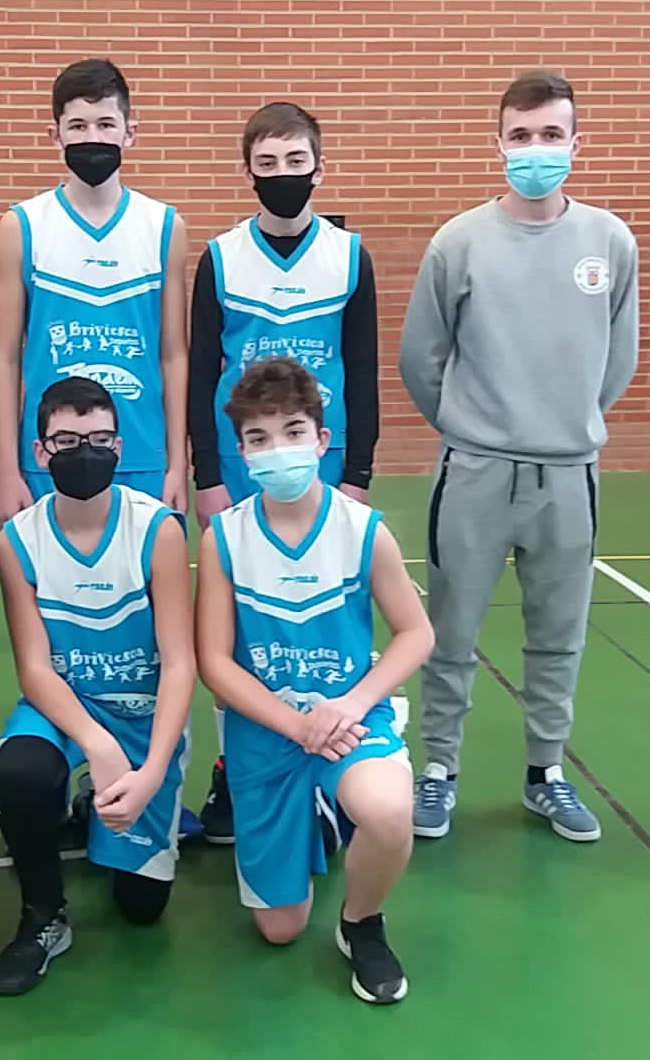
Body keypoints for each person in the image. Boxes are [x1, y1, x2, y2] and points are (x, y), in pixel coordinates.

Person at [398, 70, 640, 843]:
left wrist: (566, 422)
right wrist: (474, 426)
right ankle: (438, 769)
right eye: (521, 135)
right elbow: (420, 359)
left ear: (577, 143)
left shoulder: (610, 242)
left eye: (551, 135)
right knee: (450, 631)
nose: (537, 149)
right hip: (473, 472)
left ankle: (546, 774)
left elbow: (619, 358)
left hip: (569, 475)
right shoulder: (458, 242)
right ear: (498, 144)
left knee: (559, 633)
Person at [194, 357, 434, 1004]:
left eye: (293, 431)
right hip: (267, 731)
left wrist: (352, 704)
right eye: (260, 438)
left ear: (322, 439)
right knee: (279, 928)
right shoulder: (223, 540)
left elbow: (416, 634)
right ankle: (322, 818)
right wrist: (296, 726)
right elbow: (214, 661)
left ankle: (361, 922)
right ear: (243, 453)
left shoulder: (364, 530)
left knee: (388, 811)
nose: (279, 449)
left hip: (348, 719)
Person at [186, 100, 382, 845]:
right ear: (248, 173)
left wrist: (357, 470)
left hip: (321, 464)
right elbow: (201, 370)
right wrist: (208, 473)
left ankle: (333, 760)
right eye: (266, 164)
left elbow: (361, 369)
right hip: (242, 466)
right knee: (240, 628)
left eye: (295, 162)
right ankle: (234, 771)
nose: (282, 175)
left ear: (319, 168)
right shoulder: (221, 257)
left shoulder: (348, 255)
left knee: (323, 615)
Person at [0, 376, 195, 996]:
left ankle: (91, 806)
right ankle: (43, 915)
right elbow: (34, 669)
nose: (86, 452)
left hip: (142, 713)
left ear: (119, 446)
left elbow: (179, 663)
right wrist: (96, 743)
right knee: (21, 772)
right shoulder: (18, 540)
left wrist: (151, 771)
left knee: (141, 907)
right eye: (68, 440)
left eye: (100, 439)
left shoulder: (157, 529)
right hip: (64, 706)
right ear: (40, 450)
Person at [0, 58, 190, 523]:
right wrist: (7, 470)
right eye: (78, 125)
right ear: (55, 135)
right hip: (49, 457)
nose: (92, 137)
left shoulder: (164, 227)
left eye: (105, 124)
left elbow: (173, 355)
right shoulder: (22, 226)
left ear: (130, 132)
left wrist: (178, 464)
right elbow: (3, 357)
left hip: (141, 453)